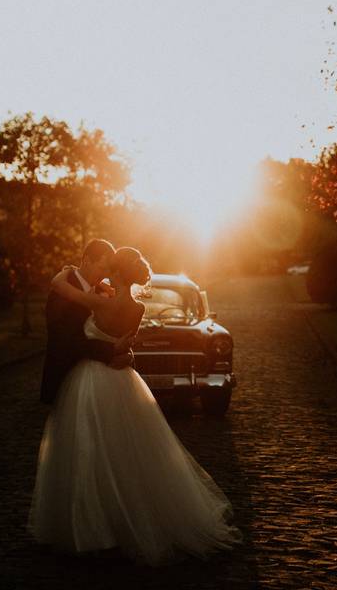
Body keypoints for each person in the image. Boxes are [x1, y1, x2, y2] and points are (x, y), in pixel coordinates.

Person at [27, 246, 243, 565]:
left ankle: (93, 524)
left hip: (90, 380)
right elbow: (125, 342)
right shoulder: (137, 308)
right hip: (124, 379)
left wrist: (60, 276)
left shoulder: (100, 301)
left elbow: (63, 289)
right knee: (128, 450)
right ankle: (129, 516)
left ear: (116, 272)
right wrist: (120, 352)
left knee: (88, 449)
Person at [39, 239, 133, 405]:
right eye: (102, 268)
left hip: (102, 387)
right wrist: (112, 349)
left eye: (107, 270)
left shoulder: (103, 292)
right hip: (67, 382)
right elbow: (67, 340)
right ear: (87, 261)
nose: (105, 275)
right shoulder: (62, 291)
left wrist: (124, 353)